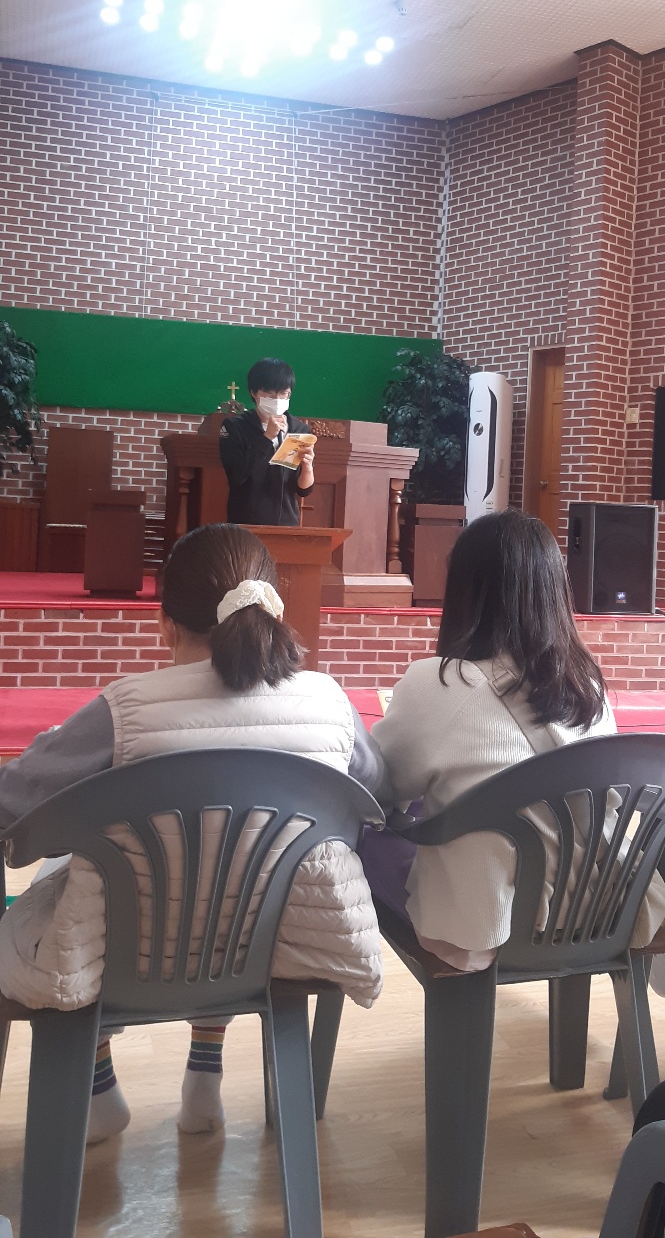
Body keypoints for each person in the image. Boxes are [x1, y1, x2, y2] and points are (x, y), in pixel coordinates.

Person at [0, 524, 386, 1143]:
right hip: (276, 945)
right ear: (271, 612)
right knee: (234, 875)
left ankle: (98, 1087)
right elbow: (377, 791)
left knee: (77, 881)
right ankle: (205, 1072)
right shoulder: (329, 703)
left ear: (165, 624)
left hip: (123, 954)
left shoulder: (126, 710)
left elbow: (14, 801)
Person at [363, 509, 665, 971]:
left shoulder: (438, 683)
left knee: (367, 831)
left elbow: (382, 791)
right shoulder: (589, 686)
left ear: (466, 590)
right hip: (599, 908)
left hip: (482, 926)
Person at [220, 357, 314, 525]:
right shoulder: (235, 427)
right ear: (253, 393)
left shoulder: (299, 429)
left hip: (287, 523)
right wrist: (267, 437)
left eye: (283, 394)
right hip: (246, 522)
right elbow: (237, 476)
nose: (277, 400)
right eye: (269, 394)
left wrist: (308, 468)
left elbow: (303, 490)